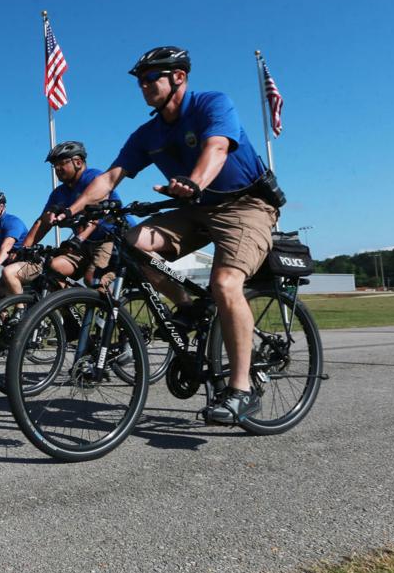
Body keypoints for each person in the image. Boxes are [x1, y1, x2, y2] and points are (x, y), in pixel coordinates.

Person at [50, 46, 280, 425]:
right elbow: (109, 178)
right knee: (132, 244)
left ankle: (242, 390)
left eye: (150, 78)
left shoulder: (211, 104)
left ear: (179, 77)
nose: (143, 86)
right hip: (194, 210)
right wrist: (70, 210)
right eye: (139, 81)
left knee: (225, 283)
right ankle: (188, 306)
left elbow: (217, 147)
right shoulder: (148, 133)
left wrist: (195, 181)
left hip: (244, 205)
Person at [1, 141, 133, 295]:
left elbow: (98, 215)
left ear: (78, 162)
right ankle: (72, 309)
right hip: (83, 246)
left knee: (92, 280)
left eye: (61, 163)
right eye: (54, 165)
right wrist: (24, 249)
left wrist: (79, 238)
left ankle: (114, 317)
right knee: (52, 268)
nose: (57, 168)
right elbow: (42, 223)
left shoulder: (94, 178)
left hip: (111, 239)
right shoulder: (59, 193)